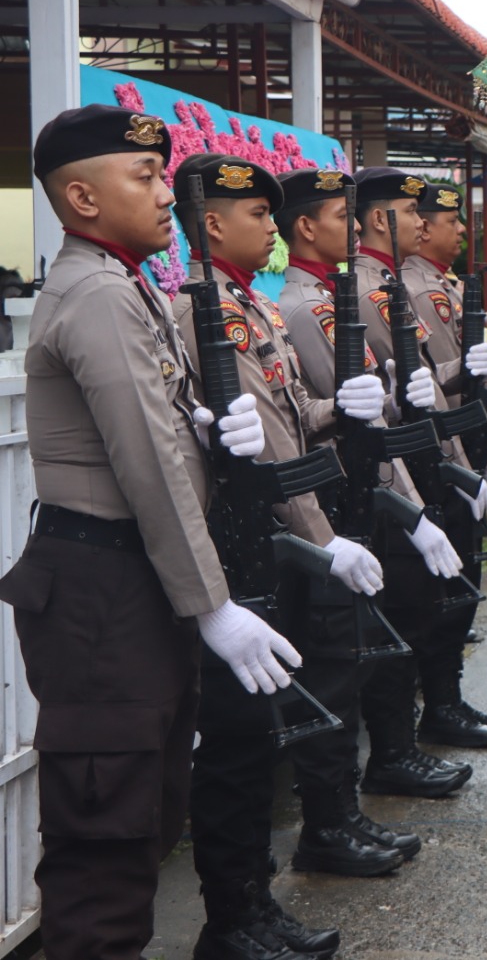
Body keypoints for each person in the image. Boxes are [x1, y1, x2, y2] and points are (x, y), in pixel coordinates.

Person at [0, 105, 287, 960]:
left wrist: (204, 425)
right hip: (103, 593)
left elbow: (162, 430)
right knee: (105, 848)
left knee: (144, 818)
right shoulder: (96, 294)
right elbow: (148, 466)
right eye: (147, 177)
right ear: (82, 197)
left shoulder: (124, 284)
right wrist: (212, 605)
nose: (169, 194)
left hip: (127, 585)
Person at [169, 154, 403, 958]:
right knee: (236, 746)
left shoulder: (252, 309)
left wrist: (342, 403)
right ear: (210, 224)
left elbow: (292, 413)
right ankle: (233, 918)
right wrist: (323, 537)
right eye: (255, 213)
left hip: (272, 540)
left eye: (274, 214)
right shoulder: (206, 310)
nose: (270, 225)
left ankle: (252, 906)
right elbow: (262, 443)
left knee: (262, 729)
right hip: (243, 547)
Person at [272, 168, 435, 867]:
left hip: (354, 495)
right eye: (343, 215)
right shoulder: (308, 309)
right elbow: (344, 411)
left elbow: (373, 407)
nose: (357, 227)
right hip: (327, 506)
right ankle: (328, 824)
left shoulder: (334, 298)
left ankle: (343, 812)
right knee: (335, 667)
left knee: (355, 657)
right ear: (307, 226)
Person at [350, 166, 481, 798]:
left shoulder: (389, 287)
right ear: (383, 219)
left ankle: (420, 729)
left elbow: (426, 389)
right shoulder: (365, 293)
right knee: (400, 614)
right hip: (379, 480)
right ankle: (395, 752)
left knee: (423, 607)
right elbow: (390, 405)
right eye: (412, 212)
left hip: (418, 464)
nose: (424, 223)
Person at [403, 181, 487, 748]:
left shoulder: (446, 286)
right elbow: (446, 392)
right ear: (423, 226)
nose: (462, 231)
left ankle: (448, 699)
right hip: (439, 459)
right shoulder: (419, 291)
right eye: (451, 221)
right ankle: (440, 706)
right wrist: (478, 459)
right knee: (442, 595)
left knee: (460, 588)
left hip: (461, 451)